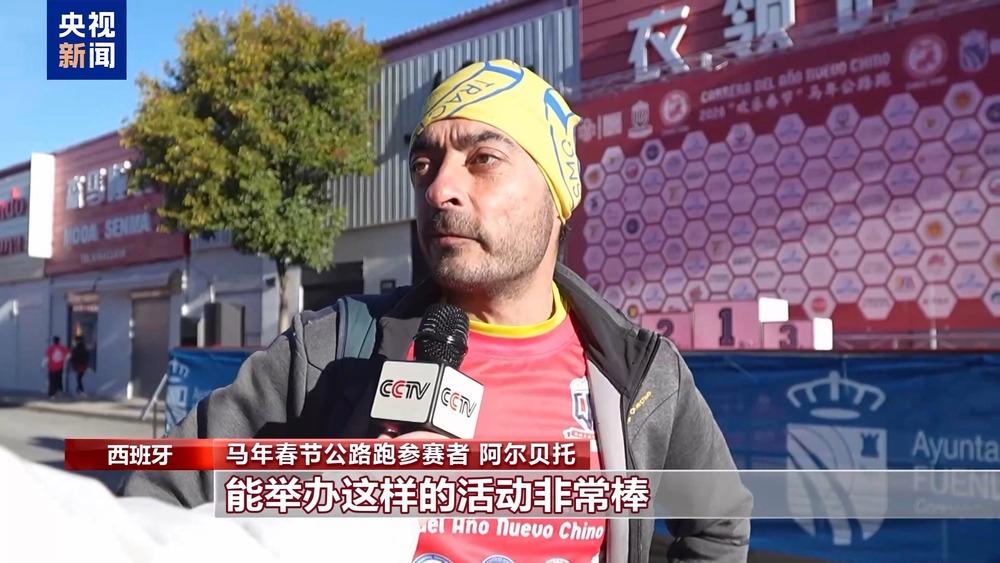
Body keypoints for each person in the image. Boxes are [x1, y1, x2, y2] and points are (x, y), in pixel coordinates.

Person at [124, 60, 751, 562]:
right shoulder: (331, 350)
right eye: (425, 164)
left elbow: (718, 527)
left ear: (557, 194)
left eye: (483, 160)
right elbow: (159, 501)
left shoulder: (640, 377)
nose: (439, 188)